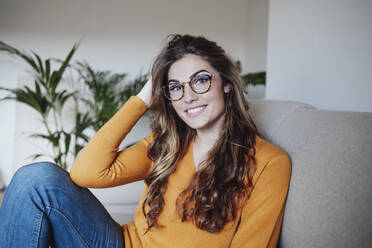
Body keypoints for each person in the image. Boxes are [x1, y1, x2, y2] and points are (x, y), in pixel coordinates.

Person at [0, 34, 291, 248]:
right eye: (175, 87)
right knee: (34, 179)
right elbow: (86, 172)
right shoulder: (167, 145)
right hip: (119, 243)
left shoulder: (269, 162)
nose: (188, 96)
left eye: (200, 80)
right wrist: (141, 100)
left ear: (226, 83)